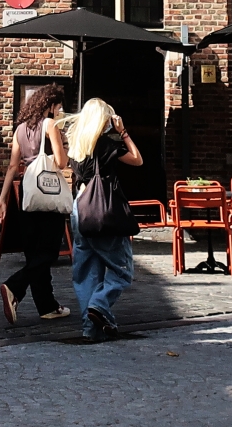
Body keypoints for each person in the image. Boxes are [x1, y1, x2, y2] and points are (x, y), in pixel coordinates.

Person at [0, 84, 72, 325]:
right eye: (59, 106)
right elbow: (61, 162)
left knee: (35, 253)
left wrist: (2, 199)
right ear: (51, 105)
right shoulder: (50, 125)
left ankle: (47, 306)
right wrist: (64, 142)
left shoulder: (19, 130)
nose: (60, 110)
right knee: (47, 253)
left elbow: (13, 167)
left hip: (27, 192)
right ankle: (14, 286)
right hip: (47, 192)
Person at [65, 97, 141, 341]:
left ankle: (91, 329)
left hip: (80, 208)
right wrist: (124, 132)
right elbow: (137, 159)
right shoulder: (107, 145)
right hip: (102, 211)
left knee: (86, 272)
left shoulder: (75, 146)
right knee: (122, 270)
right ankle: (99, 304)